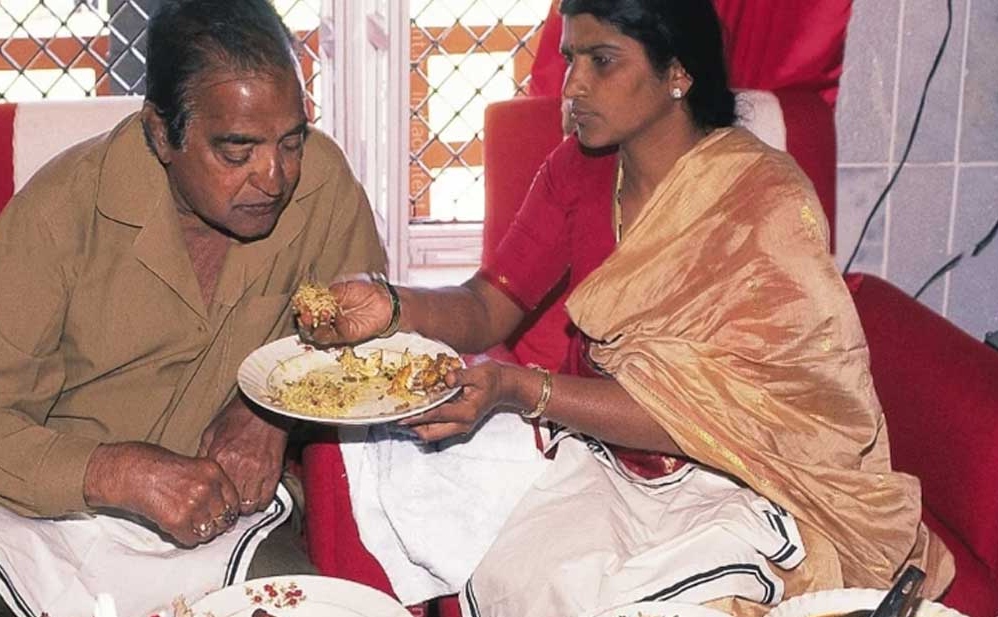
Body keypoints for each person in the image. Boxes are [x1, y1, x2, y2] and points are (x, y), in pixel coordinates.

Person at [298, 0, 954, 615]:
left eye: (601, 61)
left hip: (744, 475)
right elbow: (486, 305)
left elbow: (711, 414)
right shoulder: (576, 172)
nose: (572, 85)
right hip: (605, 453)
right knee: (476, 536)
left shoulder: (760, 201)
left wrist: (517, 387)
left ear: (676, 72)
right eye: (570, 58)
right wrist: (388, 305)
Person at [0, 0, 385, 615]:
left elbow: (369, 349)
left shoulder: (322, 187)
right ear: (161, 133)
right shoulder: (58, 215)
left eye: (292, 140)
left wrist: (272, 411)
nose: (274, 176)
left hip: (231, 526)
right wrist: (117, 472)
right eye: (237, 151)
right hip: (54, 522)